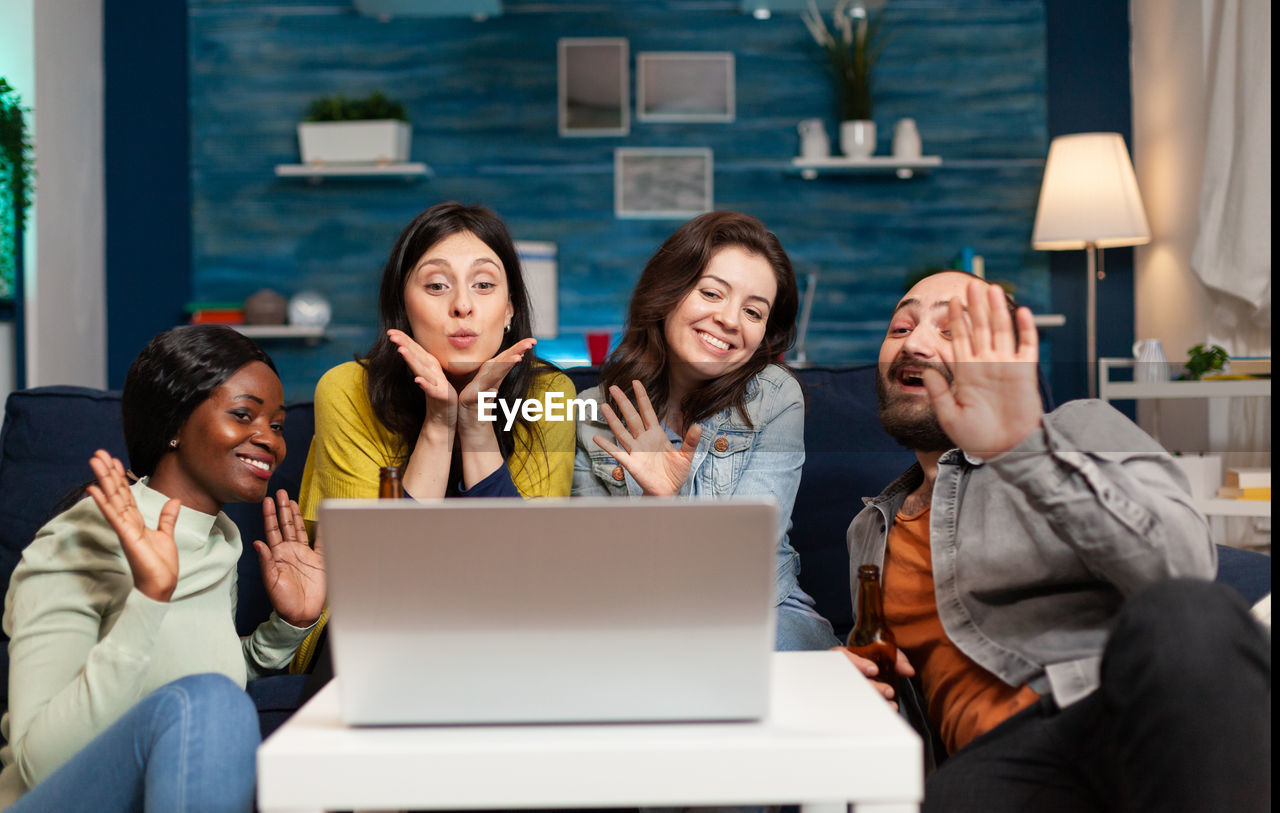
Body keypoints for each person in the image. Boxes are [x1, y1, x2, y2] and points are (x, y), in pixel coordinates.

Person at [843, 270, 1270, 810]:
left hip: (1112, 715)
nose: (917, 343)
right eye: (901, 327)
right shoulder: (868, 532)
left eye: (951, 331)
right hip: (991, 772)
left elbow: (1182, 568)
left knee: (1190, 613)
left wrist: (1022, 450)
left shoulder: (1078, 429)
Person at [0, 325, 324, 811]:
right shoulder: (81, 538)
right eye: (243, 415)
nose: (270, 442)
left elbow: (197, 680)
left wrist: (289, 625)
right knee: (210, 701)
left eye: (276, 425)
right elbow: (39, 765)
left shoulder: (218, 540)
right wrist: (148, 599)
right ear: (174, 423)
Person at [291, 201, 576, 673]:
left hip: (504, 629)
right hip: (372, 630)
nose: (462, 305)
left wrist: (477, 422)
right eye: (437, 285)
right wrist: (441, 423)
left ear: (508, 311)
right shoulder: (345, 389)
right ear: (403, 307)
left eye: (484, 286)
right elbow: (378, 577)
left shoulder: (550, 392)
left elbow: (527, 575)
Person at [573, 211, 839, 651]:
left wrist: (672, 499)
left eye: (753, 312)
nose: (730, 320)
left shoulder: (774, 398)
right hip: (637, 611)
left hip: (761, 609)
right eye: (712, 293)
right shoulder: (592, 413)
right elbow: (598, 569)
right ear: (669, 292)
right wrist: (656, 501)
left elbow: (746, 557)